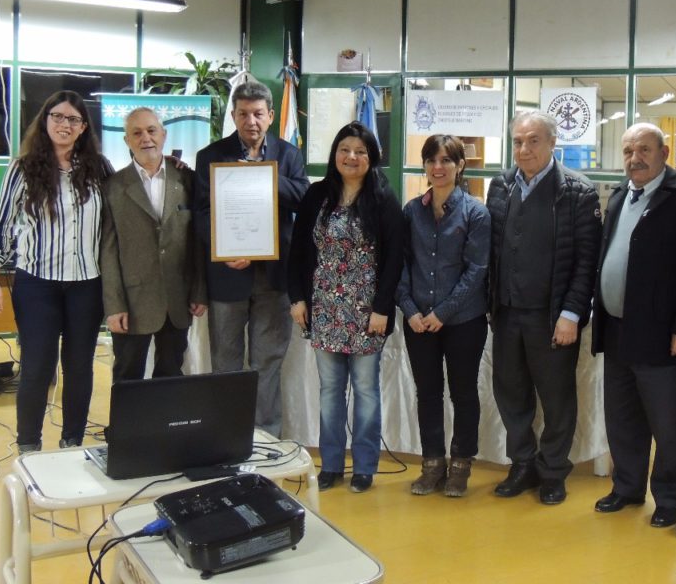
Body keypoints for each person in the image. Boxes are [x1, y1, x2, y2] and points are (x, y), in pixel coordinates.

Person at [0, 91, 112, 451]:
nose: (64, 125)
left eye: (73, 119)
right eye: (57, 116)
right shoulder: (22, 168)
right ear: (45, 120)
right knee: (38, 368)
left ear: (83, 127)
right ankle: (29, 446)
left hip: (87, 284)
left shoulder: (99, 169)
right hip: (37, 285)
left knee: (80, 367)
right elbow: (2, 227)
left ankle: (72, 441)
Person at [487, 111, 601, 505]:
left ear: (553, 143)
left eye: (533, 140)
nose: (524, 149)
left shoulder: (578, 192)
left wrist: (572, 313)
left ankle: (553, 471)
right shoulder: (500, 187)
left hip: (552, 318)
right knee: (511, 394)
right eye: (518, 141)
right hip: (506, 314)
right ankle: (522, 464)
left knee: (556, 400)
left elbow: (587, 261)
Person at [591, 123, 676, 528]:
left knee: (667, 423)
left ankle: (670, 499)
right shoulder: (621, 195)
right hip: (617, 328)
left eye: (644, 149)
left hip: (662, 334)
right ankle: (627, 487)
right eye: (627, 151)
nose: (634, 158)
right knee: (622, 417)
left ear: (664, 152)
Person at [288, 121, 405, 493]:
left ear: (371, 158)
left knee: (367, 391)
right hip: (323, 307)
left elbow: (394, 260)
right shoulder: (317, 195)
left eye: (360, 152)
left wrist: (383, 308)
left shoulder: (384, 198)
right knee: (329, 391)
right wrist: (297, 297)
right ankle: (332, 465)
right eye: (344, 150)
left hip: (368, 310)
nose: (351, 157)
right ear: (335, 154)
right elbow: (298, 251)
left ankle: (366, 466)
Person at [194, 80, 309, 437]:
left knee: (267, 364)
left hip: (275, 280)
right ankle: (226, 438)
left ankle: (265, 441)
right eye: (243, 114)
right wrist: (227, 249)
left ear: (271, 116)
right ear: (233, 115)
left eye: (258, 114)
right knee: (226, 364)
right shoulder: (211, 156)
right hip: (228, 277)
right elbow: (200, 214)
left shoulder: (288, 155)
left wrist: (265, 176)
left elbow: (304, 199)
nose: (251, 121)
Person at [397, 134, 491, 498]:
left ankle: (461, 464)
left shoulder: (476, 212)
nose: (438, 167)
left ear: (460, 166)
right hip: (418, 321)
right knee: (428, 393)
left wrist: (443, 311)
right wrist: (410, 309)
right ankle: (432, 463)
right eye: (431, 160)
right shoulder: (411, 211)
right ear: (425, 165)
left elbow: (477, 269)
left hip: (463, 320)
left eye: (446, 160)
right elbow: (401, 264)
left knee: (464, 393)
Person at [100, 107, 207, 381]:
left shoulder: (187, 179)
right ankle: (127, 426)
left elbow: (197, 240)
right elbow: (108, 252)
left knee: (171, 375)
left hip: (177, 299)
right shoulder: (113, 187)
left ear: (164, 134)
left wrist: (198, 290)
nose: (145, 138)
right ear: (126, 141)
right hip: (133, 303)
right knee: (127, 375)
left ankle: (163, 425)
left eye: (151, 130)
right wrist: (114, 306)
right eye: (136, 133)